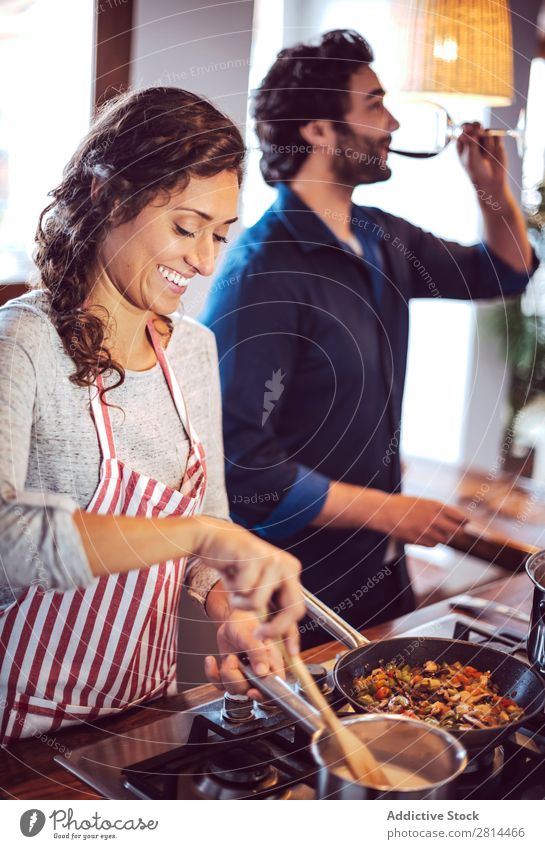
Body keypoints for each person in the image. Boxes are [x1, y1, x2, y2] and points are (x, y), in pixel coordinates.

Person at [200, 30, 536, 646]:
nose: (393, 122)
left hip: (382, 563)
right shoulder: (260, 271)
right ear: (320, 130)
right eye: (374, 103)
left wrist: (492, 185)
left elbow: (506, 271)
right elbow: (241, 464)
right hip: (292, 579)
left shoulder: (381, 237)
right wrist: (391, 510)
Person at [0, 87, 304, 742]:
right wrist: (195, 534)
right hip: (17, 724)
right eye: (186, 226)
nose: (204, 260)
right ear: (111, 197)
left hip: (136, 711)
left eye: (221, 235)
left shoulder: (193, 349)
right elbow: (5, 541)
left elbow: (210, 523)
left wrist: (231, 610)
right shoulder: (20, 341)